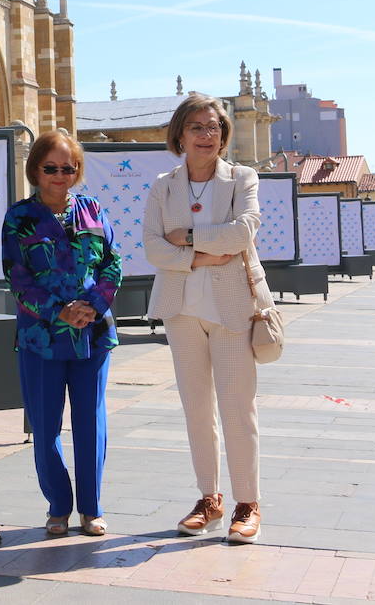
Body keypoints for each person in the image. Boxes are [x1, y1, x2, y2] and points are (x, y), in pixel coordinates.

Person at [142, 93, 273, 544]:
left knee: (238, 409)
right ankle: (209, 498)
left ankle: (248, 503)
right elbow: (153, 246)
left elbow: (243, 232)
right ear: (179, 134)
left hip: (233, 308)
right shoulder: (164, 185)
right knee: (197, 410)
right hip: (181, 310)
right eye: (196, 126)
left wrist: (190, 239)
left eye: (214, 126)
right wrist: (202, 257)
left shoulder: (241, 178)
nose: (206, 134)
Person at [1, 130, 121, 537]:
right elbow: (18, 277)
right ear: (35, 169)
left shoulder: (93, 209)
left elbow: (112, 263)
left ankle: (91, 508)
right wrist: (60, 311)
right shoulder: (19, 218)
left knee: (91, 423)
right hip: (42, 338)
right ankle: (58, 505)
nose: (59, 175)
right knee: (45, 425)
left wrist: (93, 307)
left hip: (93, 335)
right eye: (50, 168)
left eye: (68, 168)